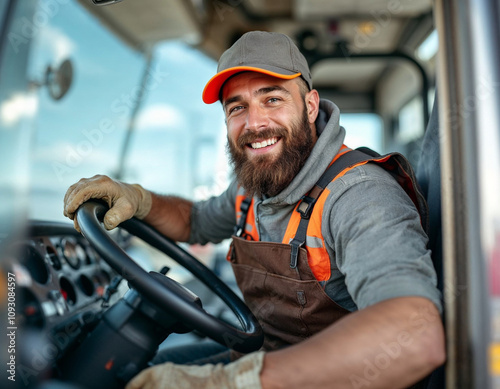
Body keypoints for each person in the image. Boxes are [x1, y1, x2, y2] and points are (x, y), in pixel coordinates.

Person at [64, 31, 445, 389]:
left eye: (273, 99)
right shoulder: (253, 187)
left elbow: (414, 335)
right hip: (268, 357)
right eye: (237, 107)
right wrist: (139, 199)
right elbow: (195, 222)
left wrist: (238, 381)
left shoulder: (358, 195)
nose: (255, 123)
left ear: (310, 106)